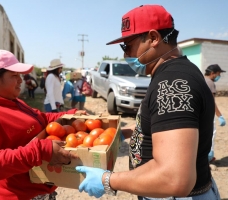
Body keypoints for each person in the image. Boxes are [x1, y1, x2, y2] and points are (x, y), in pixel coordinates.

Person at [75, 5, 221, 200]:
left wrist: (108, 180)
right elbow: (166, 127)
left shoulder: (171, 83)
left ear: (153, 38)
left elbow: (174, 179)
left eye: (127, 45)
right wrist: (127, 133)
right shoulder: (176, 72)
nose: (126, 54)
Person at [0, 49, 86, 200]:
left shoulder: (14, 102)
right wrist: (38, 152)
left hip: (40, 191)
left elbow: (41, 119)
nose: (21, 80)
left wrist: (69, 115)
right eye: (14, 75)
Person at [204, 64, 226, 162]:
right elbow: (212, 102)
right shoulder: (210, 83)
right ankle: (209, 156)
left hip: (200, 112)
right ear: (212, 73)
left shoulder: (201, 79)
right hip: (208, 113)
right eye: (218, 74)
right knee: (211, 134)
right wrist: (220, 115)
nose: (219, 76)